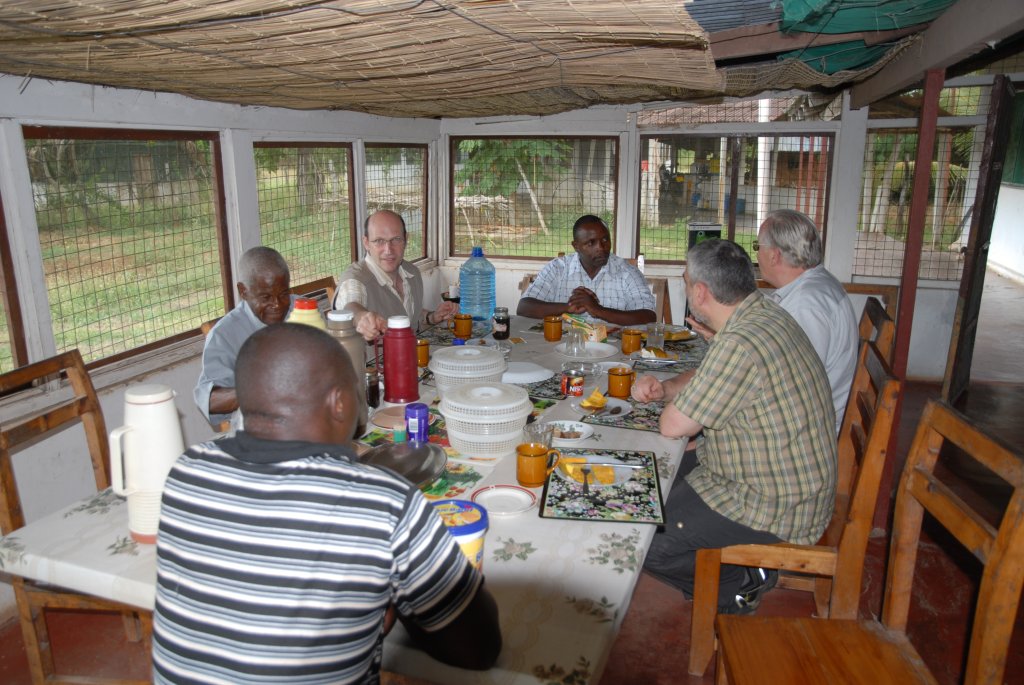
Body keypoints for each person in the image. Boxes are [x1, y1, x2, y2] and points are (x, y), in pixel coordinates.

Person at [154, 324, 502, 683]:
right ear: (339, 403)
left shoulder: (187, 471)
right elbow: (478, 649)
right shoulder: (383, 503)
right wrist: (396, 593)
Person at [633, 239, 837, 614]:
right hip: (783, 476)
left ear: (700, 291)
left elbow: (672, 426)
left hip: (776, 503)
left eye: (685, 280)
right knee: (647, 484)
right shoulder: (761, 312)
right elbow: (711, 373)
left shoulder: (740, 342)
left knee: (644, 538)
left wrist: (667, 398)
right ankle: (729, 574)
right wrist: (667, 387)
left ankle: (740, 585)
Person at [756, 209, 858, 434]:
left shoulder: (806, 306)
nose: (757, 256)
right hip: (807, 415)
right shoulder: (817, 283)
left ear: (774, 255)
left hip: (807, 432)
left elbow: (789, 388)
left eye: (757, 248)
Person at [193, 246, 292, 428]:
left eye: (284, 293)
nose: (277, 305)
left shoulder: (303, 310)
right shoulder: (225, 335)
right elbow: (209, 401)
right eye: (266, 297)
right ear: (243, 291)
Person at [334, 209, 458, 342]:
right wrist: (361, 317)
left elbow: (405, 314)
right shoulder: (355, 279)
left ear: (406, 240)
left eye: (396, 239)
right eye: (379, 241)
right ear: (366, 243)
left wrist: (431, 317)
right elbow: (350, 304)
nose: (388, 250)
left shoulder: (411, 273)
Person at [517, 215, 656, 326]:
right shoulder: (557, 268)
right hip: (564, 345)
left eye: (605, 239)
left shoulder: (627, 272)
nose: (601, 247)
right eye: (591, 243)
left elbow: (648, 316)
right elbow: (524, 308)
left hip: (613, 349)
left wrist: (597, 310)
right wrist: (569, 307)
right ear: (576, 246)